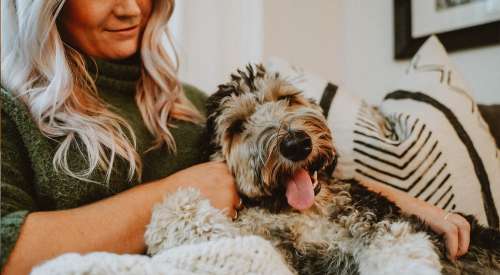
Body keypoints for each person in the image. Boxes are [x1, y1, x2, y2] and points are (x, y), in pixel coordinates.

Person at [0, 1, 471, 274]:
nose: (131, 7)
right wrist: (176, 193)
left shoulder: (191, 104)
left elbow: (293, 181)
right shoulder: (10, 111)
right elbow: (8, 247)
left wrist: (410, 205)